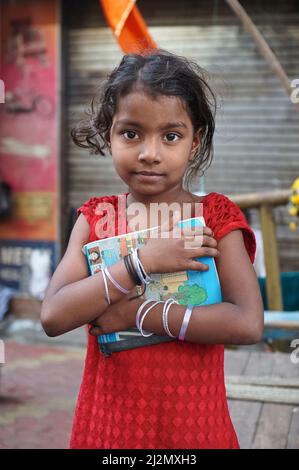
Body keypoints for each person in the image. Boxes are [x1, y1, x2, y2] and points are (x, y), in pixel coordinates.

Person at [41, 49, 264, 449]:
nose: (149, 152)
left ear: (195, 143)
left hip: (194, 428)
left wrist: (141, 313)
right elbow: (54, 316)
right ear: (108, 133)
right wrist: (140, 263)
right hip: (109, 430)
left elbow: (247, 323)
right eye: (131, 133)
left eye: (171, 136)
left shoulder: (214, 216)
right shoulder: (96, 218)